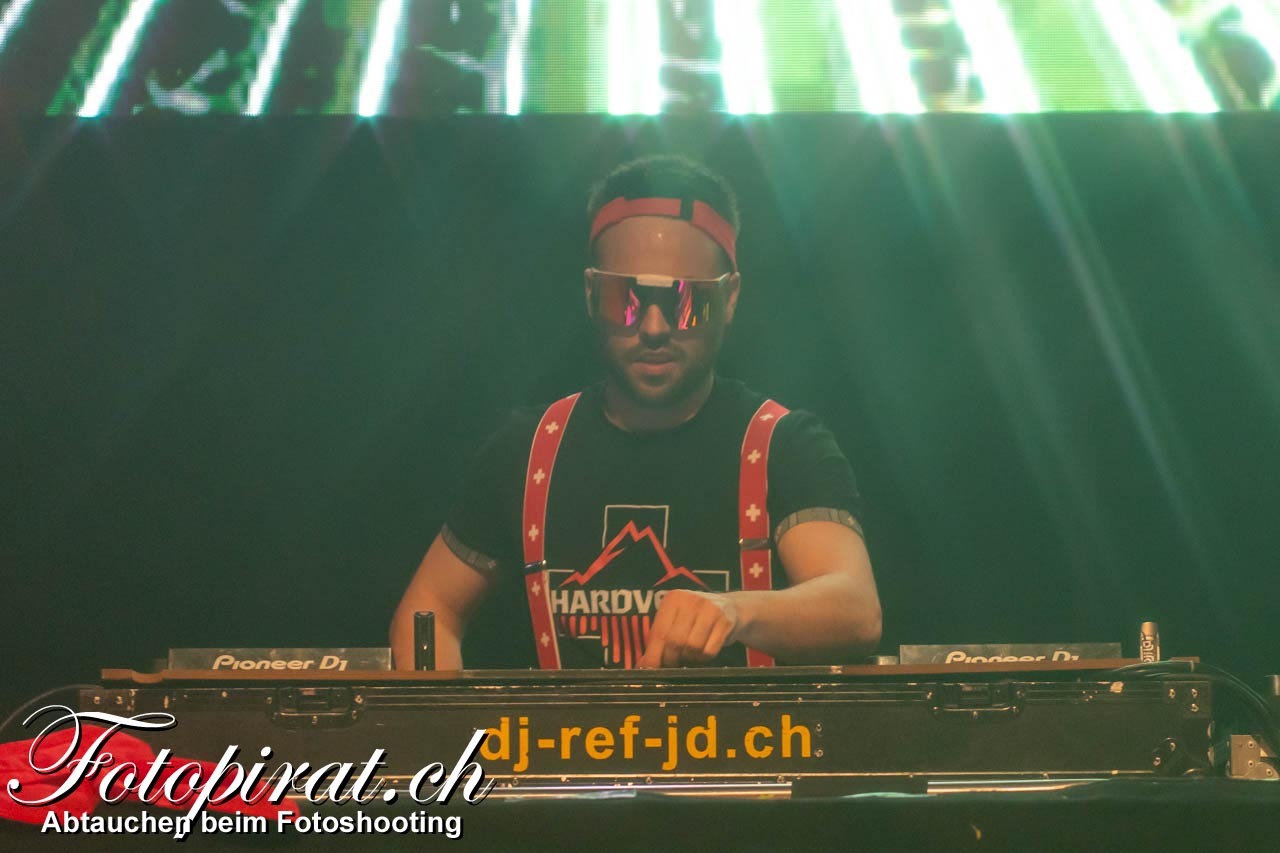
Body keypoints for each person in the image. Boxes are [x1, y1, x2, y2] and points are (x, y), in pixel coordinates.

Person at [391, 155, 881, 670]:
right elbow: (429, 610)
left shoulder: (782, 445)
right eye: (624, 298)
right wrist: (448, 720)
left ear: (730, 297)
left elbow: (855, 608)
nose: (652, 327)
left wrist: (736, 611)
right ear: (590, 292)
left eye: (687, 302)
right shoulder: (529, 450)